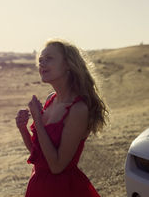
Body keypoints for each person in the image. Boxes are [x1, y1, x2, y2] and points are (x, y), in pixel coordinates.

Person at [16, 39, 108, 197]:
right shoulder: (51, 99)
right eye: (40, 60)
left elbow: (57, 166)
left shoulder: (78, 109)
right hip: (37, 186)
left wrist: (38, 120)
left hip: (62, 189)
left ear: (68, 65)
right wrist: (22, 128)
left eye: (49, 58)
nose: (42, 63)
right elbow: (38, 154)